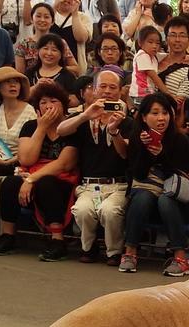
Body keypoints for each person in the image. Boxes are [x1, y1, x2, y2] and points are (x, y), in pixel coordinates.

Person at [0, 82, 79, 261]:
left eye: (53, 101)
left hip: (60, 181)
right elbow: (26, 159)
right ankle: (8, 236)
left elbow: (64, 164)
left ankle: (57, 240)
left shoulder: (72, 127)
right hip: (31, 174)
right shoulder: (31, 126)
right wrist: (41, 128)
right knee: (10, 183)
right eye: (43, 102)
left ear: (63, 105)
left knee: (46, 183)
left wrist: (31, 180)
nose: (48, 106)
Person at [51, 68, 131, 265]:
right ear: (93, 90)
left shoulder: (127, 121)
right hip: (89, 185)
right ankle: (89, 247)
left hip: (118, 185)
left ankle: (114, 252)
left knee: (110, 211)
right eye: (102, 86)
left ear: (120, 92)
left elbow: (125, 154)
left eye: (113, 87)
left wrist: (114, 131)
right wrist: (85, 115)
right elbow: (60, 130)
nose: (107, 91)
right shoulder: (84, 118)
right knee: (82, 209)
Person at [118, 92, 189, 276]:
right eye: (155, 113)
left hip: (174, 198)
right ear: (144, 117)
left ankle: (181, 258)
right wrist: (145, 150)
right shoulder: (137, 138)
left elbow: (180, 176)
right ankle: (130, 254)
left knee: (165, 200)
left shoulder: (180, 139)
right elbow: (138, 174)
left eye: (165, 113)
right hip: (145, 194)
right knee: (143, 197)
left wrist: (160, 154)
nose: (161, 118)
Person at [0, 66, 36, 177]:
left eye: (16, 82)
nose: (13, 85)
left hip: (21, 163)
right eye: (8, 82)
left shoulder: (30, 112)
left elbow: (33, 146)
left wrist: (10, 161)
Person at [14, 3, 79, 76]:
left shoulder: (60, 42)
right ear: (32, 19)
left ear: (52, 21)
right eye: (38, 16)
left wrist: (56, 69)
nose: (42, 20)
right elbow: (19, 75)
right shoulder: (23, 44)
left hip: (57, 85)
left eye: (46, 17)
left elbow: (76, 69)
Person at [26, 33, 78, 99]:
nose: (49, 53)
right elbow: (22, 97)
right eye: (45, 48)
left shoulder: (68, 75)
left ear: (61, 54)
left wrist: (56, 89)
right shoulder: (30, 73)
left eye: (54, 50)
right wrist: (36, 87)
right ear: (38, 50)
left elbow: (75, 101)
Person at [159, 17, 189, 101]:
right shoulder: (154, 59)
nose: (177, 40)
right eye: (173, 35)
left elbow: (178, 104)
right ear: (166, 39)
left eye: (182, 35)